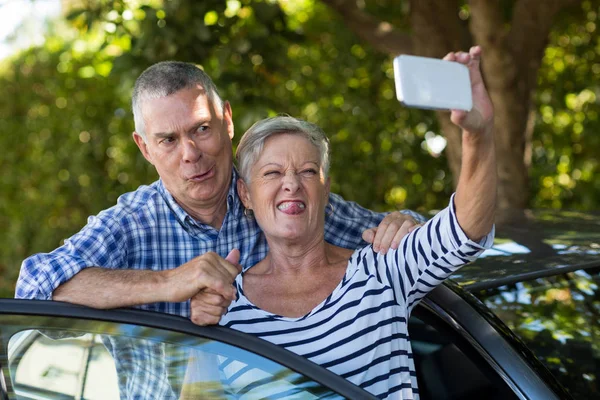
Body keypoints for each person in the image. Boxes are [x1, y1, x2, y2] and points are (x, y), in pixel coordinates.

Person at [15, 60, 422, 323]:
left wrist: (403, 224)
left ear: (226, 120)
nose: (190, 154)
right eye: (168, 140)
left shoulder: (282, 200)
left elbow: (418, 246)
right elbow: (33, 287)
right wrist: (168, 283)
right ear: (144, 148)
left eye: (201, 129)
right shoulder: (131, 224)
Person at [214, 46, 496, 400]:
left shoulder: (379, 270)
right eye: (272, 173)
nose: (291, 183)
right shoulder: (226, 305)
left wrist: (478, 134)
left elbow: (466, 229)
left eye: (307, 171)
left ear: (325, 188)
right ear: (245, 194)